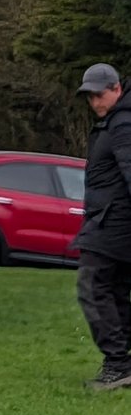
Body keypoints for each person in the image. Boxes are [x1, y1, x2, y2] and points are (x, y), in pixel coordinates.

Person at [75, 63, 131, 388]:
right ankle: (122, 362)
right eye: (90, 97)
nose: (95, 102)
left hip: (114, 224)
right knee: (115, 292)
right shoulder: (116, 120)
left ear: (116, 89)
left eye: (100, 94)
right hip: (111, 221)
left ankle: (117, 364)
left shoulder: (122, 123)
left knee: (92, 287)